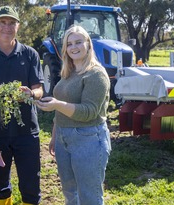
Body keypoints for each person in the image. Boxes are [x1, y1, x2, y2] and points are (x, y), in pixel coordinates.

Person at [36, 25, 112, 205]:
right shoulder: (68, 73)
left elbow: (89, 112)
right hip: (64, 138)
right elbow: (61, 107)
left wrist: (57, 104)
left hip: (88, 139)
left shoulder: (96, 74)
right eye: (69, 44)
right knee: (70, 193)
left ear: (88, 44)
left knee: (89, 196)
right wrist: (55, 135)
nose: (73, 47)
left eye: (78, 42)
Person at [0, 5, 44, 205]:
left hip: (27, 132)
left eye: (12, 22)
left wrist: (31, 93)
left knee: (31, 184)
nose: (7, 27)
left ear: (18, 26)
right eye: (3, 22)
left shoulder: (29, 54)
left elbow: (39, 89)